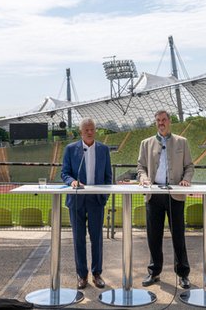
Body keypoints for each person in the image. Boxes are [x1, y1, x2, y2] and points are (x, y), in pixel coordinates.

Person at [136, 110, 194, 289]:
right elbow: (141, 167)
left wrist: (186, 179)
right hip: (154, 195)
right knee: (154, 236)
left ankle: (183, 274)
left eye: (164, 120)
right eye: (158, 120)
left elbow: (189, 166)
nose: (161, 123)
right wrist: (143, 178)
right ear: (156, 123)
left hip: (175, 194)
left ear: (169, 121)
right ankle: (154, 272)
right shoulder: (146, 143)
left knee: (178, 235)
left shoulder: (181, 142)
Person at [61, 117, 113, 290]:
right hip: (76, 199)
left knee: (97, 238)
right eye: (86, 130)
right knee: (78, 239)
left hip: (96, 199)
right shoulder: (70, 149)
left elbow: (108, 177)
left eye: (92, 129)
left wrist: (103, 197)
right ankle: (81, 275)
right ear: (80, 132)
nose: (90, 132)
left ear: (95, 130)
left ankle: (97, 273)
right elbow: (65, 173)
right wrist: (72, 182)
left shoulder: (103, 149)